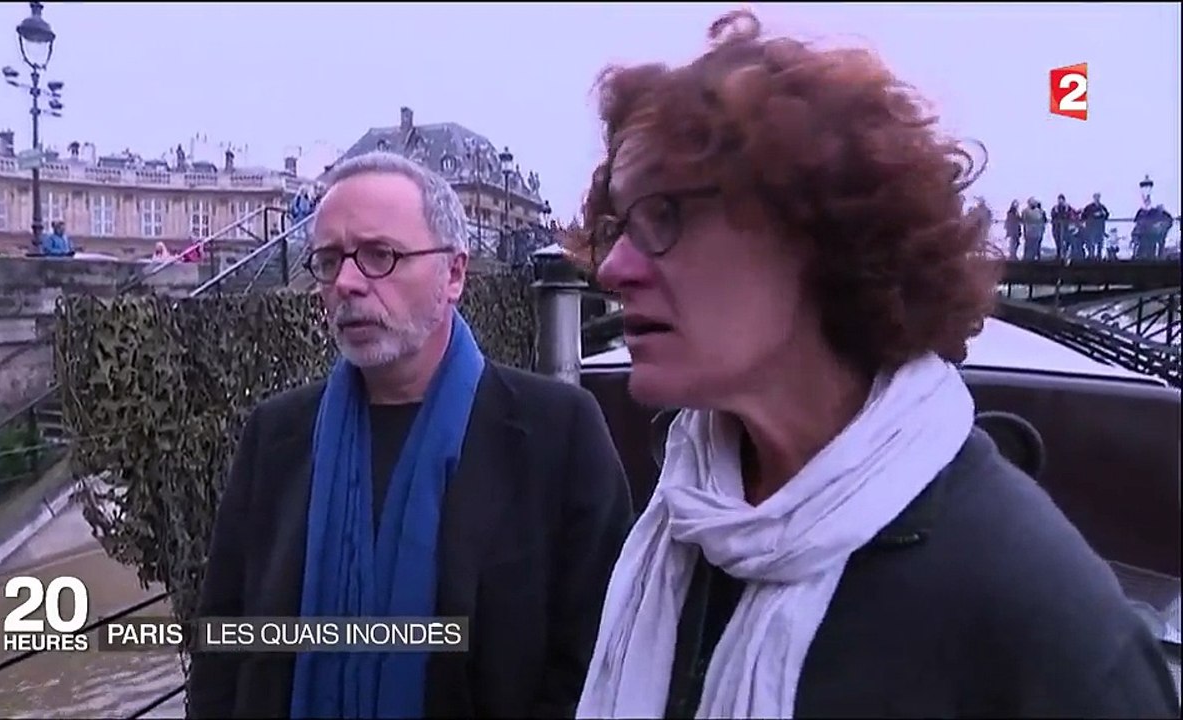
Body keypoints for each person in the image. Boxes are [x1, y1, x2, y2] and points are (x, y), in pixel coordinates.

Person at [563, 10, 1179, 719]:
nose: (612, 268)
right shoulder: (686, 514)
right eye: (618, 225)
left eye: (662, 214)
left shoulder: (1040, 614)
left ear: (812, 231)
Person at [187, 151, 633, 719]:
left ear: (454, 274)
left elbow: (593, 664)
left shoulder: (560, 434)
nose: (347, 283)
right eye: (329, 260)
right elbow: (223, 648)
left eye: (381, 255)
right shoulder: (275, 436)